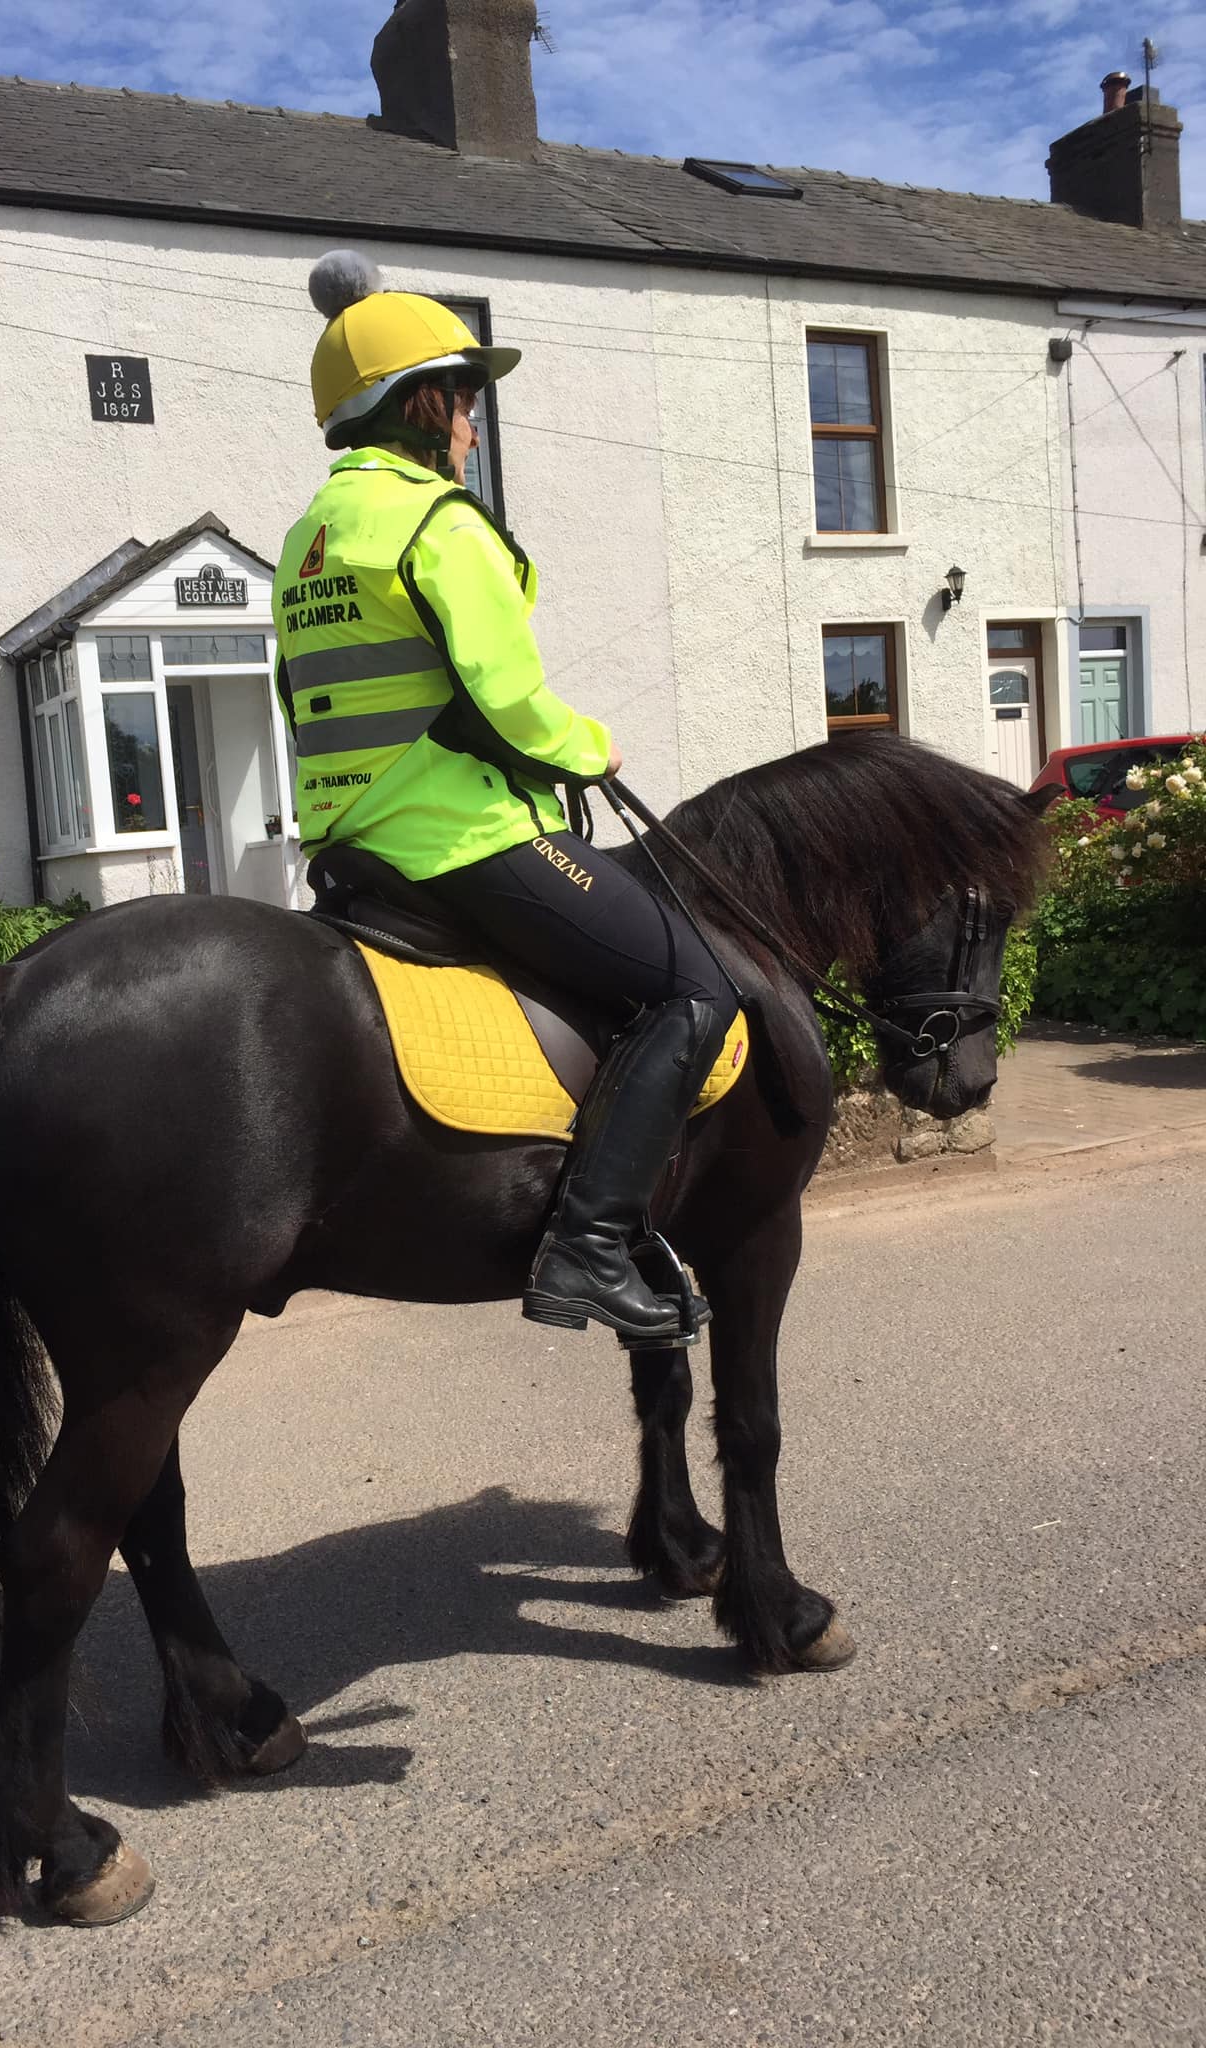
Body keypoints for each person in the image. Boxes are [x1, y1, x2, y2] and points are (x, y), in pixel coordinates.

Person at [272, 252, 739, 1343]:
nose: (475, 424)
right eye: (468, 397)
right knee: (695, 989)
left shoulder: (310, 538)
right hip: (457, 837)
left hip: (351, 847)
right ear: (422, 400)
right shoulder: (441, 524)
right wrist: (592, 748)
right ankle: (589, 1247)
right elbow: (512, 704)